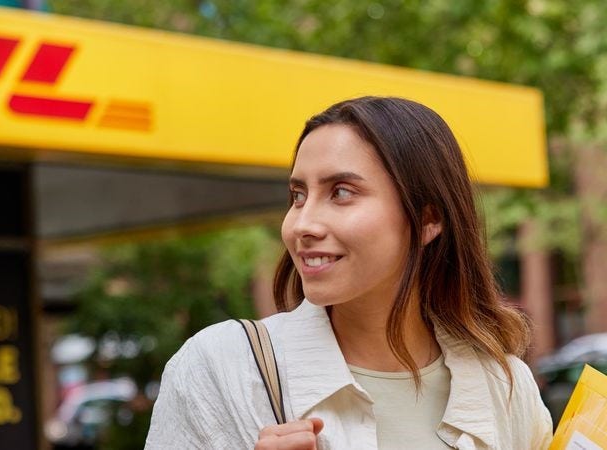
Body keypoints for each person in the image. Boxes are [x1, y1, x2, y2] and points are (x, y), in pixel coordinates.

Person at [144, 97, 553, 449]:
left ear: (428, 217)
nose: (303, 224)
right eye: (298, 195)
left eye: (341, 192)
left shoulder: (504, 387)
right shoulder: (221, 367)